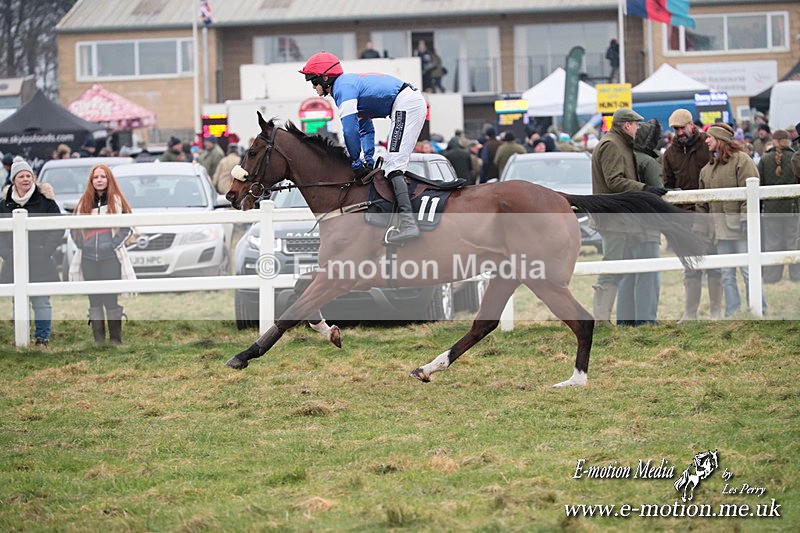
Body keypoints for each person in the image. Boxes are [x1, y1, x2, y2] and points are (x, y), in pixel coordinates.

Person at [299, 50, 426, 244]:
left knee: (394, 166)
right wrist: (367, 157)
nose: (313, 87)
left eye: (313, 81)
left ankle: (409, 224)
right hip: (403, 104)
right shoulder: (344, 87)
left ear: (325, 77)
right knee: (391, 164)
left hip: (406, 104)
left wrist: (355, 160)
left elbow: (350, 130)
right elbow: (365, 129)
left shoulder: (343, 88)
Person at [590, 107, 667, 326]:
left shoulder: (619, 144)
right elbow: (614, 181)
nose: (638, 129)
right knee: (612, 268)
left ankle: (610, 320)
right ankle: (601, 320)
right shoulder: (611, 145)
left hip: (620, 218)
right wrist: (645, 189)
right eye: (636, 125)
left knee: (621, 269)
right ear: (626, 125)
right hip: (613, 219)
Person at [696, 123, 766, 316]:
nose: (706, 141)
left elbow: (751, 193)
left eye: (709, 137)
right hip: (719, 232)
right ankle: (733, 312)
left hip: (740, 229)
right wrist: (700, 228)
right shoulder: (706, 170)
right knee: (727, 274)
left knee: (748, 271)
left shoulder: (742, 161)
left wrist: (746, 221)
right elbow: (701, 203)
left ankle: (758, 309)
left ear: (719, 139)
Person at [662, 108, 722, 322]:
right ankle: (690, 313)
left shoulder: (708, 144)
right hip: (684, 216)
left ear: (691, 125)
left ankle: (716, 311)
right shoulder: (670, 153)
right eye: (675, 129)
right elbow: (667, 184)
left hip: (709, 213)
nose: (679, 133)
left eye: (681, 128)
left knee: (714, 265)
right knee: (690, 266)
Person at [70, 164, 136, 345]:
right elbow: (73, 229)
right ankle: (99, 340)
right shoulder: (83, 202)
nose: (99, 180)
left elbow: (127, 227)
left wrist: (112, 245)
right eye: (96, 177)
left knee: (110, 298)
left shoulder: (117, 201)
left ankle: (115, 339)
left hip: (110, 257)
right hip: (89, 258)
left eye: (103, 176)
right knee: (94, 298)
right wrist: (83, 245)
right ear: (91, 181)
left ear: (109, 179)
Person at [0, 160, 62, 347]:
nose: (25, 179)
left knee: (41, 300)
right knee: (17, 301)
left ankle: (42, 339)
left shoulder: (46, 202)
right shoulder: (4, 204)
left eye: (29, 176)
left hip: (40, 259)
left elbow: (58, 227)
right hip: (14, 260)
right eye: (21, 176)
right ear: (14, 180)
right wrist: (7, 253)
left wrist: (46, 250)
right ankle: (22, 339)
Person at [616, 119, 664, 326]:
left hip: (624, 224)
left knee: (627, 275)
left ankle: (625, 321)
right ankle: (646, 320)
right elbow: (659, 191)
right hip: (646, 226)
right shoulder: (649, 162)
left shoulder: (626, 157)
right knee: (648, 274)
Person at [757, 129, 799, 283]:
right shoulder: (794, 158)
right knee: (793, 243)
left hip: (771, 209)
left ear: (773, 141)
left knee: (773, 244)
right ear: (788, 141)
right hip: (792, 209)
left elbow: (759, 184)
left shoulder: (765, 159)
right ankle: (796, 276)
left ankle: (771, 277)